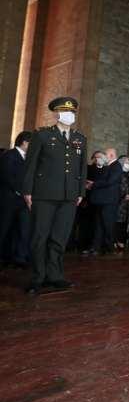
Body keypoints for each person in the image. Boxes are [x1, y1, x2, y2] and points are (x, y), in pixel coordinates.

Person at [22, 97, 87, 294]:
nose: (70, 115)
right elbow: (31, 165)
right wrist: (27, 191)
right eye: (66, 112)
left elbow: (82, 168)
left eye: (73, 112)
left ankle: (55, 276)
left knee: (60, 237)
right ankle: (38, 277)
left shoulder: (80, 139)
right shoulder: (42, 135)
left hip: (69, 196)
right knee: (40, 237)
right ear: (57, 114)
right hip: (44, 195)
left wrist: (80, 192)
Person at [0, 131, 32, 268]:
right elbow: (7, 177)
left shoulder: (28, 158)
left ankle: (19, 258)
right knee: (4, 229)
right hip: (9, 200)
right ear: (25, 142)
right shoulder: (9, 155)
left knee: (23, 229)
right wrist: (22, 191)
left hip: (23, 201)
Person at [85, 148, 123, 256]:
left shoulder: (116, 166)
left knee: (108, 225)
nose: (103, 156)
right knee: (99, 225)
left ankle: (109, 248)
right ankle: (95, 247)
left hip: (109, 201)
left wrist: (93, 184)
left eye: (105, 154)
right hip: (102, 200)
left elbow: (109, 181)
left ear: (111, 155)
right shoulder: (109, 166)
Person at [115, 156, 129, 250]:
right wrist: (124, 195)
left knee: (126, 223)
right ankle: (116, 241)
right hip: (119, 203)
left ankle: (123, 241)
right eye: (126, 162)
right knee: (118, 222)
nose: (128, 164)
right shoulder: (116, 174)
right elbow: (116, 188)